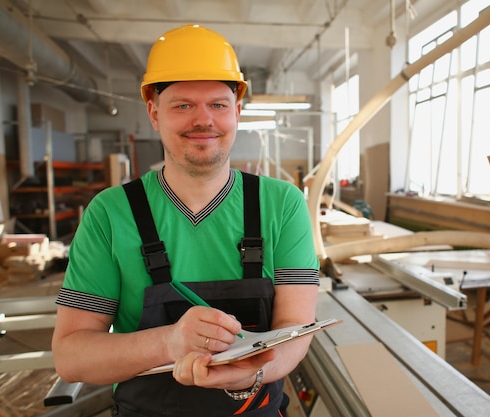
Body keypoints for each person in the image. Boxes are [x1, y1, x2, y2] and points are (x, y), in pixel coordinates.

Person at [52, 24, 320, 417]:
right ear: (153, 113)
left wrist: (251, 373)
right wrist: (169, 342)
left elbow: (296, 328)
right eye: (182, 105)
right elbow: (71, 356)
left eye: (218, 104)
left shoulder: (282, 204)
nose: (203, 120)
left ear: (237, 112)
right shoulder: (110, 213)